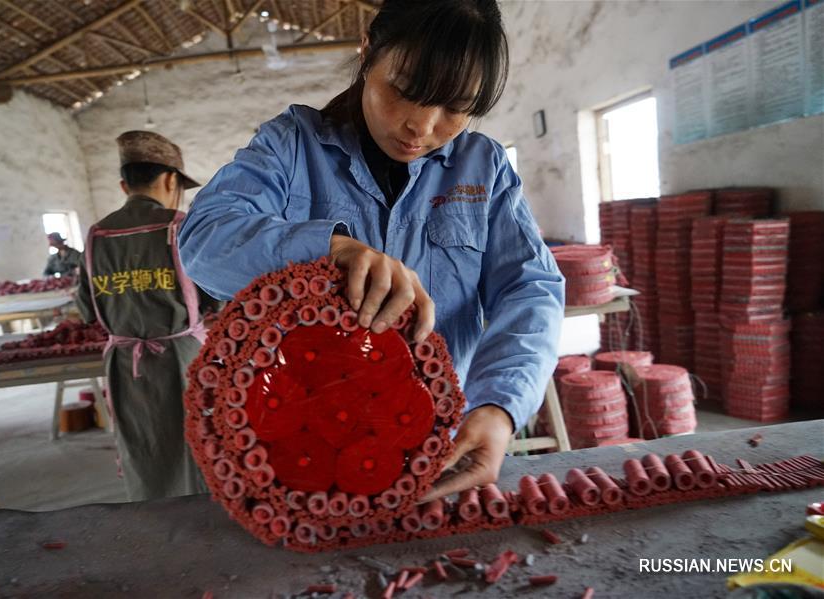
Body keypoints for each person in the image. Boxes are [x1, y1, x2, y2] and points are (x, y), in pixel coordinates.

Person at [177, 0, 565, 502]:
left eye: (455, 107)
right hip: (303, 461)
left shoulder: (483, 167)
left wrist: (500, 406)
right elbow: (205, 240)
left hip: (440, 450)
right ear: (367, 53)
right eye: (404, 91)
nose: (421, 127)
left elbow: (530, 288)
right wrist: (328, 249)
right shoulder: (293, 146)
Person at [76, 130, 218, 501]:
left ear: (125, 185)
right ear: (171, 180)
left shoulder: (95, 236)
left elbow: (86, 309)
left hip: (125, 369)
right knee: (198, 451)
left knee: (144, 452)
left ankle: (152, 534)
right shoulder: (182, 226)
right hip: (183, 361)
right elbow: (216, 298)